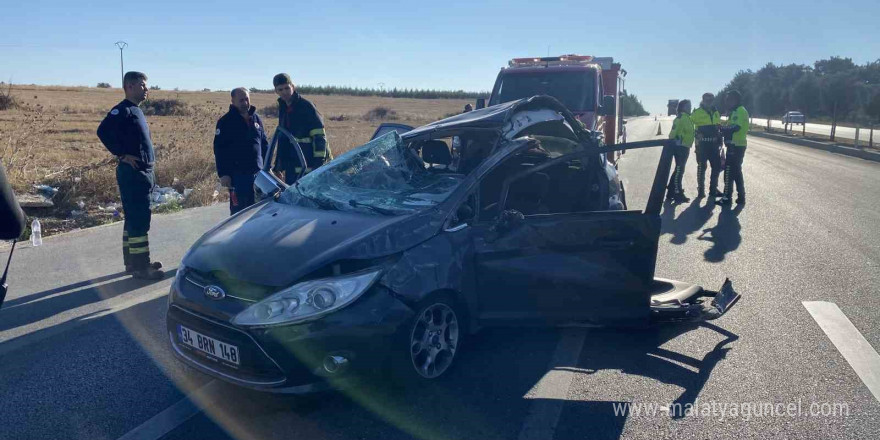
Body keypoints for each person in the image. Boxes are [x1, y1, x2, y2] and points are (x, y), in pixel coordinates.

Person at [96, 71, 163, 280]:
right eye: (142, 85)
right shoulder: (122, 110)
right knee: (140, 219)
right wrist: (122, 154)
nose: (146, 89)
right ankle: (142, 267)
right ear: (130, 87)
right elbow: (103, 131)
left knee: (133, 219)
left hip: (143, 172)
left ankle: (132, 263)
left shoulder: (136, 111)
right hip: (133, 173)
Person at [213, 88, 269, 215]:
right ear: (233, 101)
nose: (245, 102)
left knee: (260, 211)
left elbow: (264, 144)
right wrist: (224, 173)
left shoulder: (256, 119)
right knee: (241, 213)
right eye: (241, 100)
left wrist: (268, 167)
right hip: (238, 176)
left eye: (246, 99)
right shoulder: (225, 122)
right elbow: (219, 150)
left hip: (259, 174)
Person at [271, 74, 331, 184]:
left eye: (287, 88)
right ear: (276, 91)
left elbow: (319, 136)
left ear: (293, 87)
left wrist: (319, 164)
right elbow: (283, 138)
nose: (284, 92)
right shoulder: (283, 108)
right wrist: (278, 166)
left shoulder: (306, 106)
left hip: (310, 167)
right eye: (280, 89)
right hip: (292, 166)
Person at [717, 90, 749, 206]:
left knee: (729, 173)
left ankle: (727, 198)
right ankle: (741, 197)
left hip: (736, 146)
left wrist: (722, 129)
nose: (727, 102)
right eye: (726, 99)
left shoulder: (739, 111)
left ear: (735, 99)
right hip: (736, 145)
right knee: (736, 173)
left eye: (729, 99)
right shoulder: (736, 111)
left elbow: (735, 127)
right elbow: (731, 126)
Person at [692, 93, 723, 198]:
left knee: (716, 167)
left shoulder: (715, 112)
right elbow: (690, 126)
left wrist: (720, 138)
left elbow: (718, 127)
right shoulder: (697, 112)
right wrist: (696, 135)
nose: (709, 101)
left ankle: (713, 189)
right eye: (707, 99)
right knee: (702, 167)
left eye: (711, 99)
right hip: (702, 145)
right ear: (703, 100)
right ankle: (701, 190)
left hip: (714, 145)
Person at [666, 99, 695, 203]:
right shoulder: (681, 118)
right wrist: (670, 144)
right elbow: (673, 132)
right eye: (688, 106)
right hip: (680, 147)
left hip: (685, 146)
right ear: (683, 107)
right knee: (679, 170)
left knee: (678, 170)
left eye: (690, 106)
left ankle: (671, 190)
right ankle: (677, 193)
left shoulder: (688, 117)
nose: (690, 108)